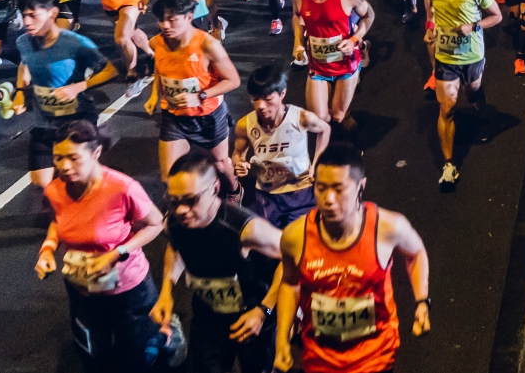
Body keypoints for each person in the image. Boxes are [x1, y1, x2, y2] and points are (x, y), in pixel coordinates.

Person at [270, 142, 432, 373]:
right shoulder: (295, 236)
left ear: (360, 187)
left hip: (375, 358)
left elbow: (416, 253)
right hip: (320, 360)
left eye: (338, 188)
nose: (329, 199)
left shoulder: (387, 227)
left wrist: (422, 301)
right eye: (321, 188)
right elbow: (289, 283)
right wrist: (282, 341)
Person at [37, 121, 167, 372]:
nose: (64, 166)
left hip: (129, 292)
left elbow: (156, 224)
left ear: (95, 153)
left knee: (134, 360)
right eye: (58, 158)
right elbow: (58, 220)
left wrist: (117, 253)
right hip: (82, 290)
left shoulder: (122, 188)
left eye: (74, 158)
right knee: (92, 358)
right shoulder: (55, 189)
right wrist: (48, 249)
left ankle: (163, 335)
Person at [151, 150, 283, 373]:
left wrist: (264, 311)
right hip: (208, 319)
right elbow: (175, 248)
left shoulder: (247, 229)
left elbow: (294, 260)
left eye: (191, 200)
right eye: (174, 201)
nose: (181, 210)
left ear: (215, 187)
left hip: (254, 320)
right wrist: (166, 290)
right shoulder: (174, 222)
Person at [11, 0, 118, 187]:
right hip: (45, 122)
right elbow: (24, 64)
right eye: (23, 15)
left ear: (52, 13)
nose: (26, 22)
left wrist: (78, 87)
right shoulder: (23, 42)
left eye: (32, 15)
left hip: (77, 120)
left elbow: (110, 70)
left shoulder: (76, 44)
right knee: (41, 182)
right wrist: (19, 91)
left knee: (79, 178)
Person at [424, 0, 502, 188]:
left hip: (471, 56)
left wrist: (474, 25)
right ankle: (449, 164)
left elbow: (496, 16)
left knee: (473, 92)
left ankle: (482, 108)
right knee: (446, 108)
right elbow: (430, 14)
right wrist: (430, 30)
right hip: (445, 57)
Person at [147, 0, 242, 182]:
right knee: (169, 176)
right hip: (174, 116)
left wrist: (200, 96)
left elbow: (233, 81)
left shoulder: (208, 45)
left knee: (220, 164)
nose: (164, 25)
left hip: (208, 116)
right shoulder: (156, 42)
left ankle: (234, 190)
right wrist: (154, 95)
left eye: (171, 20)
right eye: (161, 20)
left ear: (189, 17)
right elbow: (160, 68)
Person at [233, 65, 330, 227]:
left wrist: (317, 164)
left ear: (282, 94)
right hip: (267, 196)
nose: (261, 105)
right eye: (255, 99)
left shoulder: (301, 118)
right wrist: (238, 164)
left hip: (300, 192)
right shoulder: (245, 124)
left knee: (301, 240)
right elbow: (237, 154)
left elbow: (325, 129)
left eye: (267, 98)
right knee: (273, 245)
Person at [291, 0, 375, 130]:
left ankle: (350, 150)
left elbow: (369, 15)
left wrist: (354, 39)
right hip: (318, 65)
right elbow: (297, 17)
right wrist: (298, 43)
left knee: (338, 116)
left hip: (345, 64)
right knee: (319, 119)